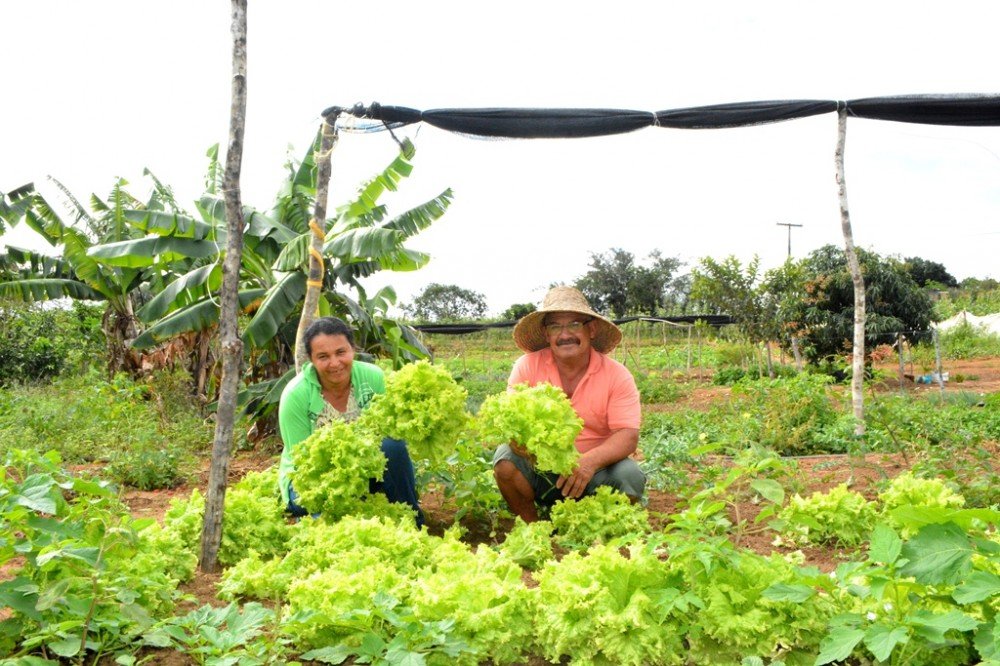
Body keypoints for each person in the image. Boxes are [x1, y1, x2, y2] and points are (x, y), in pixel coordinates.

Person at [493, 286, 645, 522]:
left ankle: (597, 524)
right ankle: (533, 526)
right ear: (546, 334)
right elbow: (509, 419)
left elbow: (627, 436)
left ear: (591, 329)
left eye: (574, 324)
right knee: (504, 460)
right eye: (555, 326)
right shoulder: (527, 366)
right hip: (542, 473)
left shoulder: (617, 375)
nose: (565, 335)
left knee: (630, 476)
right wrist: (518, 442)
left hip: (595, 475)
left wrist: (588, 462)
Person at [277, 316, 423, 525]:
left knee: (394, 446)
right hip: (311, 481)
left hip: (364, 473)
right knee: (323, 523)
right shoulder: (295, 395)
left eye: (340, 352)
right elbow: (304, 466)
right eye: (323, 356)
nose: (335, 363)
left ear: (353, 349)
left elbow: (391, 434)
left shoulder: (373, 378)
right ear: (311, 359)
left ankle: (412, 520)